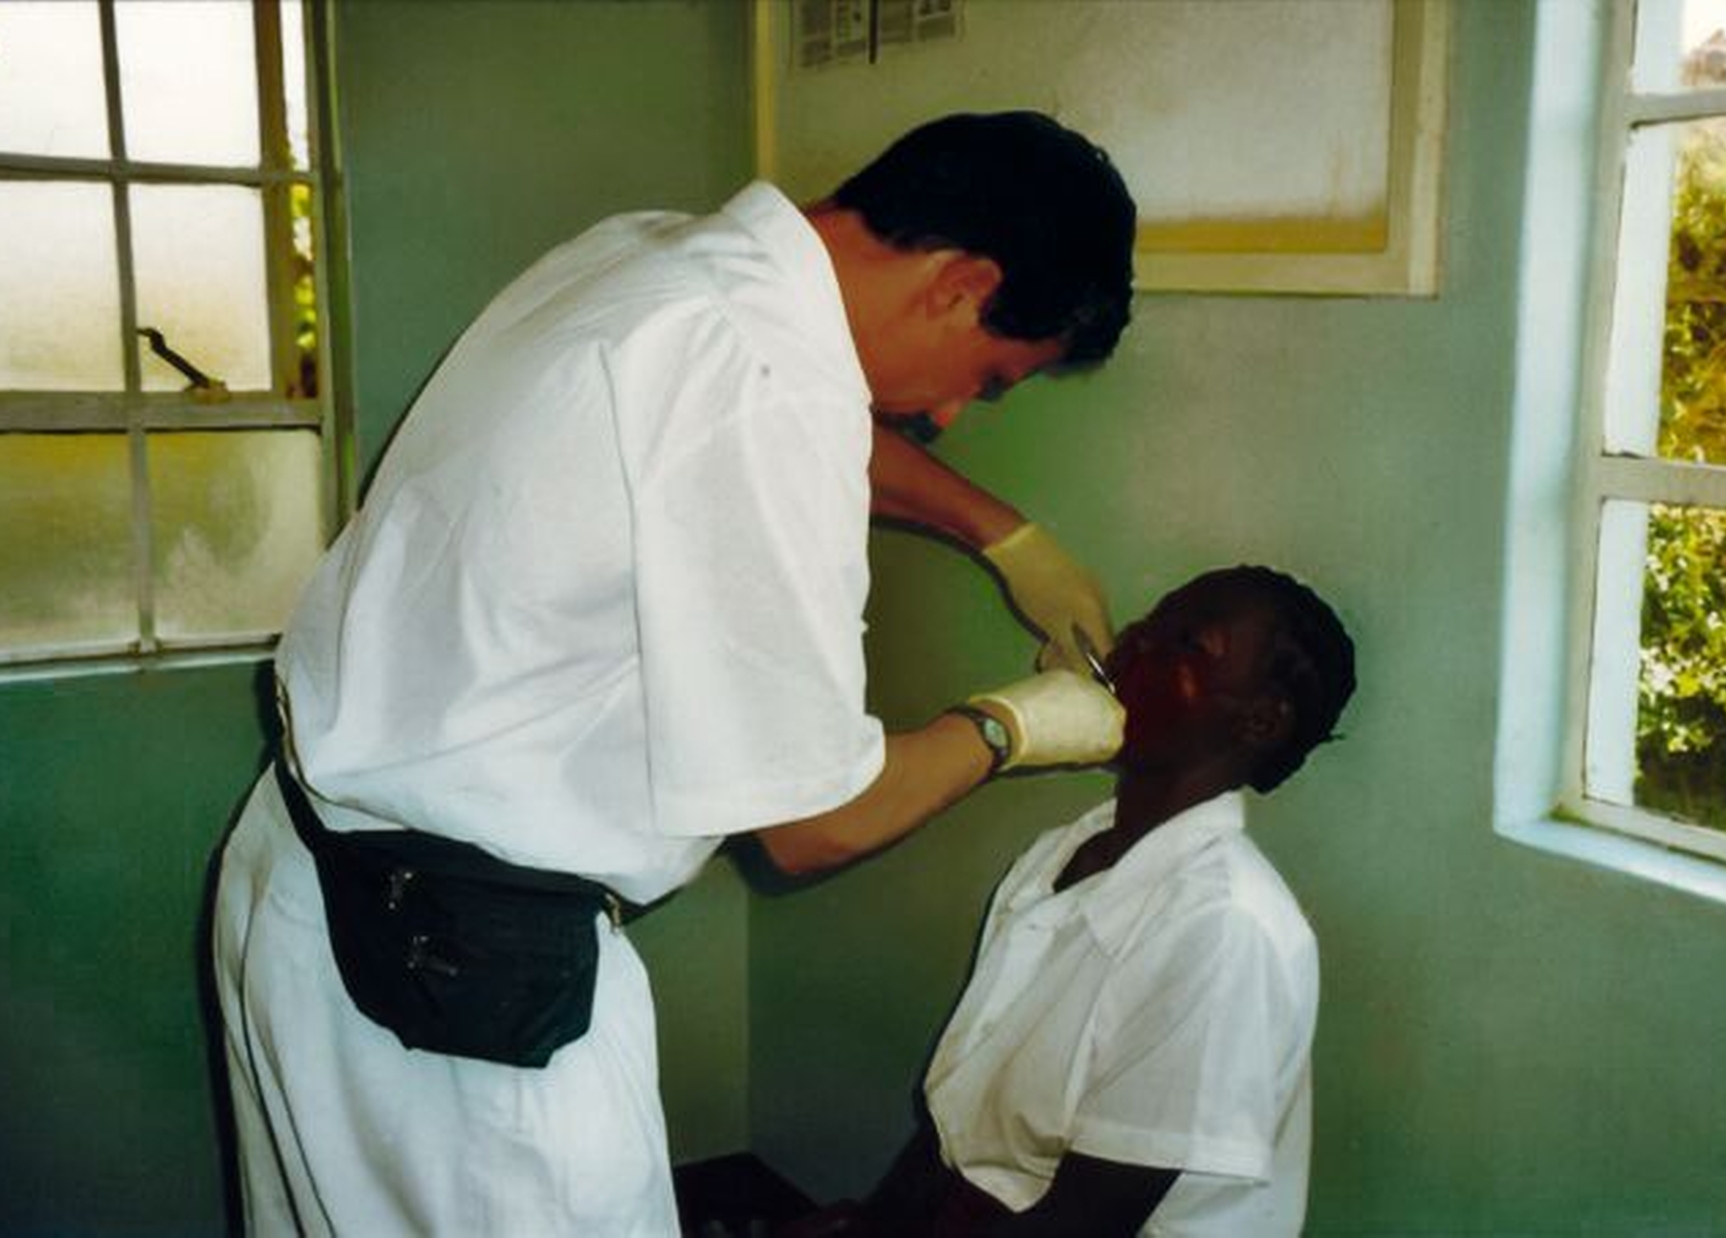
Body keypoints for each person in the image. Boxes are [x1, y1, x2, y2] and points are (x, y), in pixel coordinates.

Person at [211, 111, 1136, 1235]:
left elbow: (768, 414)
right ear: (959, 282)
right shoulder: (763, 382)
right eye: (988, 378)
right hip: (449, 993)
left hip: (300, 882)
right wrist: (1017, 724)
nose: (945, 416)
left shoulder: (652, 254)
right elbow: (811, 820)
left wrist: (1001, 534)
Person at [823, 565, 1357, 1236]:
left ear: (1258, 720)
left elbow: (1084, 1225)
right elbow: (959, 1122)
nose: (1133, 643)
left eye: (1187, 645)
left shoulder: (1223, 927)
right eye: (1149, 622)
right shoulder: (1067, 851)